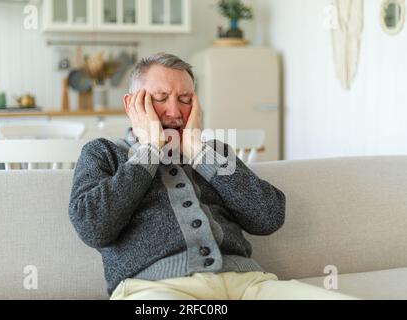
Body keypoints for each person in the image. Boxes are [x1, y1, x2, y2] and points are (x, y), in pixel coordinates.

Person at [69, 52, 355, 300]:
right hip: (153, 288)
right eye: (160, 98)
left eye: (184, 99)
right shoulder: (103, 153)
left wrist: (199, 153)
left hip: (247, 284)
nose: (174, 112)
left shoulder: (214, 153)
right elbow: (94, 227)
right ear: (132, 104)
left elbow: (269, 216)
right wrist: (150, 150)